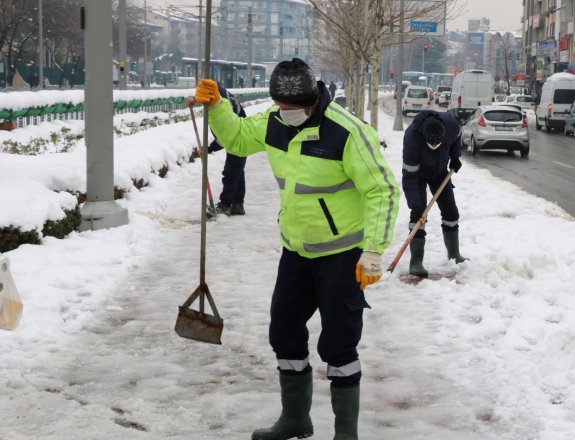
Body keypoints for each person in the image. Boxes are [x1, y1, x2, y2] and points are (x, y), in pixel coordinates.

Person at [194, 57, 399, 440]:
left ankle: (345, 433)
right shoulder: (273, 123)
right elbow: (237, 138)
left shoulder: (346, 132)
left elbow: (382, 190)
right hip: (296, 252)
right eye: (280, 107)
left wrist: (373, 249)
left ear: (312, 100)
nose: (284, 114)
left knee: (339, 344)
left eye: (292, 108)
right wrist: (218, 106)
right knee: (284, 333)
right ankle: (295, 419)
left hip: (343, 256)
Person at [401, 109, 466, 277]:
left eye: (438, 144)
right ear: (424, 138)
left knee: (451, 211)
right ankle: (416, 261)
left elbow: (457, 137)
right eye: (431, 144)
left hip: (439, 173)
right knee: (418, 215)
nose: (434, 146)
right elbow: (409, 178)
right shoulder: (412, 139)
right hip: (418, 175)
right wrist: (415, 205)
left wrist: (455, 156)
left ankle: (454, 254)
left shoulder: (450, 126)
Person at [188, 86, 249, 216]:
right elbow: (206, 97)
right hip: (239, 135)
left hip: (239, 136)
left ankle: (225, 205)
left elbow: (225, 136)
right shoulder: (217, 94)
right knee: (237, 170)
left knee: (231, 172)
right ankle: (238, 204)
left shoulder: (224, 109)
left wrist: (209, 148)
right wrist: (194, 100)